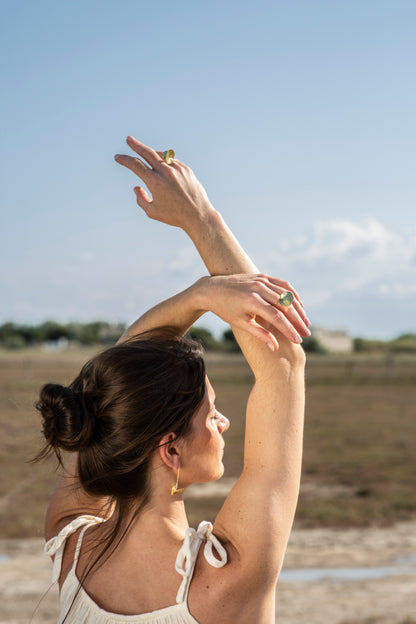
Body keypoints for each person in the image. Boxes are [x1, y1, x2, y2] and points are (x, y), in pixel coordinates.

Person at [37, 137, 310, 624]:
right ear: (170, 450)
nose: (222, 422)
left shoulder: (70, 548)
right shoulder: (225, 583)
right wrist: (201, 220)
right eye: (210, 412)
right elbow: (283, 359)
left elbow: (116, 384)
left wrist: (203, 295)